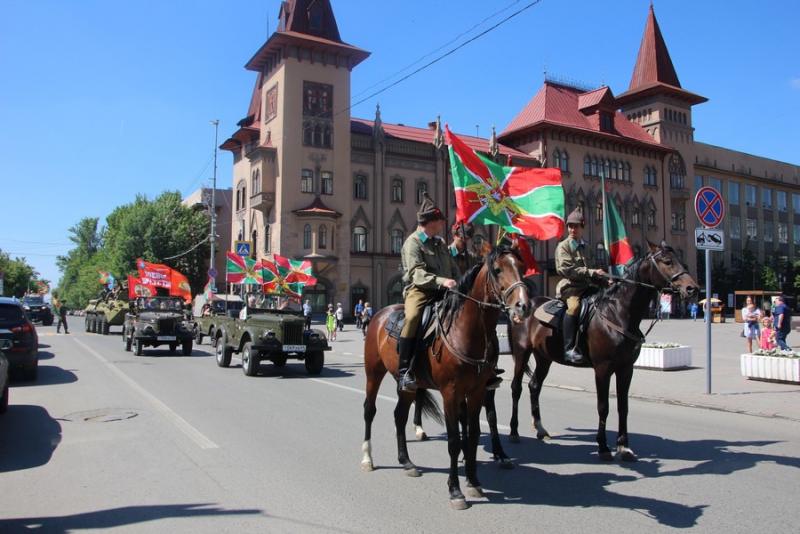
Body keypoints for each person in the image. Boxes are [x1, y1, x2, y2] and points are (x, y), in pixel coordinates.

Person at [397, 192, 458, 392]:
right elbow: (416, 273)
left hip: (445, 290)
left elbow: (453, 269)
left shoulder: (440, 243)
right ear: (432, 222)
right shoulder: (413, 242)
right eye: (440, 221)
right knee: (413, 317)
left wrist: (463, 283)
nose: (442, 224)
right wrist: (442, 281)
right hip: (420, 290)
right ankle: (405, 371)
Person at [555, 208, 609, 364]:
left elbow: (592, 270)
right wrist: (593, 272)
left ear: (582, 227)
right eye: (570, 226)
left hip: (587, 286)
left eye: (576, 226)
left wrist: (604, 281)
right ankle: (569, 348)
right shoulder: (564, 246)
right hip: (571, 287)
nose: (573, 229)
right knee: (574, 308)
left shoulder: (588, 248)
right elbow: (567, 270)